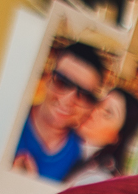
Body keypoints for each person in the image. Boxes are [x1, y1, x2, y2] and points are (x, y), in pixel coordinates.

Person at [13, 42, 105, 181]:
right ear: (48, 79)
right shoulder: (9, 120)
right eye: (63, 82)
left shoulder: (82, 158)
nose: (69, 99)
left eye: (84, 94)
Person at [66, 87, 138, 185]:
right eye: (99, 103)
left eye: (108, 112)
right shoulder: (64, 141)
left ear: (117, 137)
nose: (95, 111)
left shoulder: (97, 179)